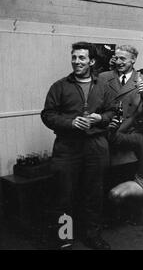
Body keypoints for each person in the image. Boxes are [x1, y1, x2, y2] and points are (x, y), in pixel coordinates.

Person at [41, 42, 115, 250]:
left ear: (91, 61)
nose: (76, 61)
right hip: (67, 147)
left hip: (96, 146)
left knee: (94, 193)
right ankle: (65, 237)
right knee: (64, 194)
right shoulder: (60, 86)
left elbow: (111, 112)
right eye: (74, 57)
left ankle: (93, 236)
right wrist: (70, 122)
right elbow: (47, 115)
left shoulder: (103, 86)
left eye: (82, 58)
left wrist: (100, 117)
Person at [99, 45, 143, 189]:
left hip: (128, 142)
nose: (119, 62)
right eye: (116, 58)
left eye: (123, 58)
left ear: (133, 60)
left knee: (125, 187)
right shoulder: (104, 77)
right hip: (106, 138)